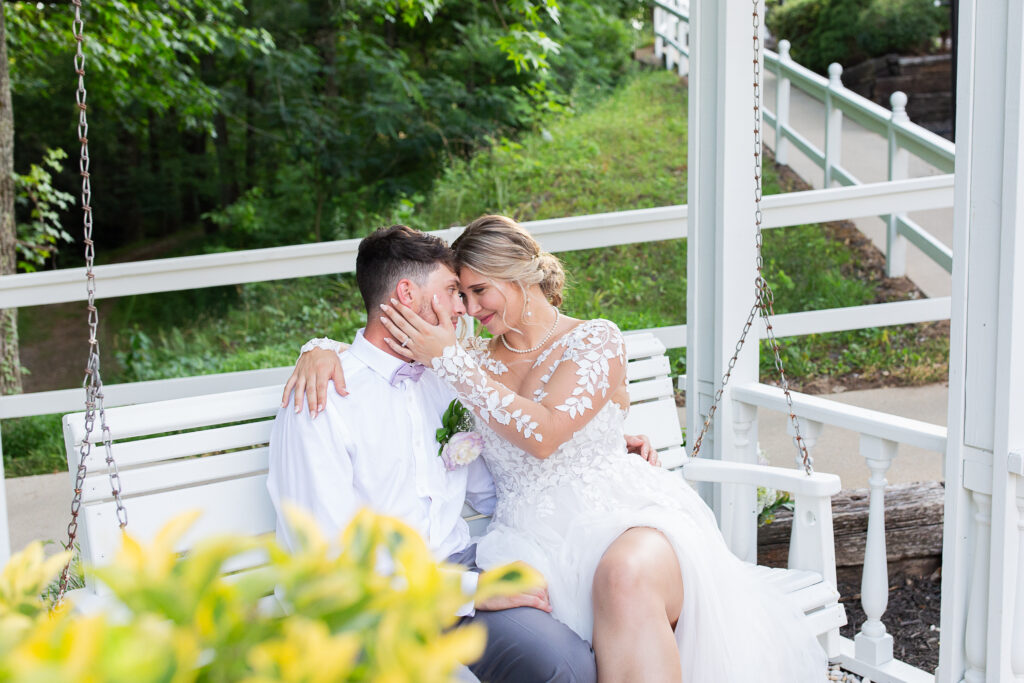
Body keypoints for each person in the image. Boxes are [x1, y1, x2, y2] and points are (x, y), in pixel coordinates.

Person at [292, 215, 829, 682]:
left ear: (518, 275)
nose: (468, 308)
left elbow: (547, 435)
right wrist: (318, 348)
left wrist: (600, 444)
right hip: (528, 542)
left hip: (617, 517)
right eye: (460, 293)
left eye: (477, 291)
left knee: (623, 578)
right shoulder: (461, 362)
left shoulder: (587, 339)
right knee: (568, 648)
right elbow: (384, 354)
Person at [268, 224, 605, 683]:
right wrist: (469, 590)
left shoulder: (446, 378)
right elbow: (328, 562)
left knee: (567, 665)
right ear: (407, 294)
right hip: (367, 607)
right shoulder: (322, 398)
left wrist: (593, 450)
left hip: (458, 574)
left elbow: (498, 484)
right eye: (451, 291)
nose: (463, 308)